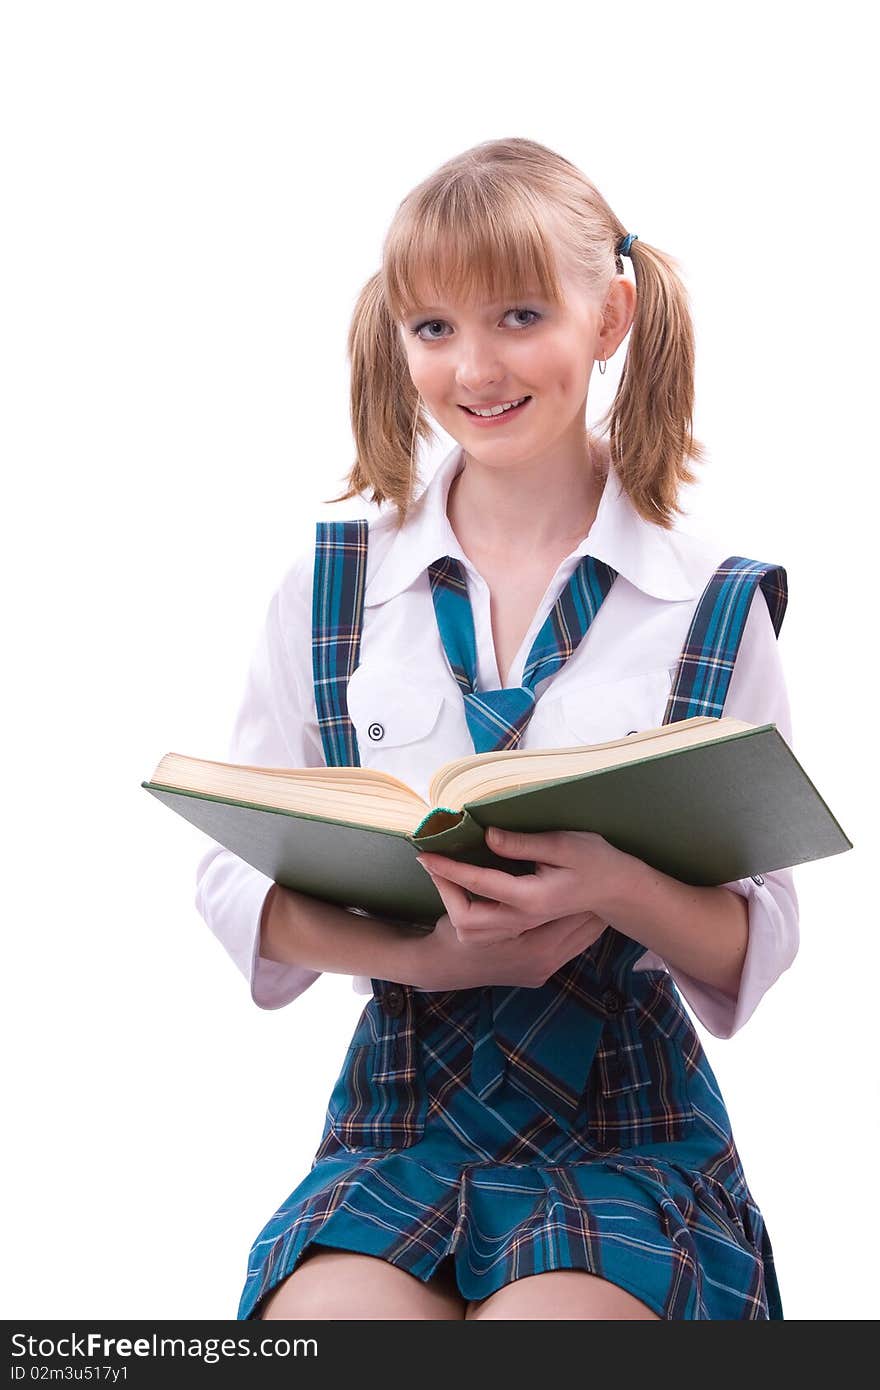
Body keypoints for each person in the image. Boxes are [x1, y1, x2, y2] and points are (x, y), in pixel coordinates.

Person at [194, 137, 798, 1321]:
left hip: (630, 1123)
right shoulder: (332, 588)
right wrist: (428, 955)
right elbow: (231, 876)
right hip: (399, 1109)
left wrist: (614, 881)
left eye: (520, 315)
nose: (474, 367)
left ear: (610, 315)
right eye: (432, 328)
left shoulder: (709, 603)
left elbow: (754, 941)